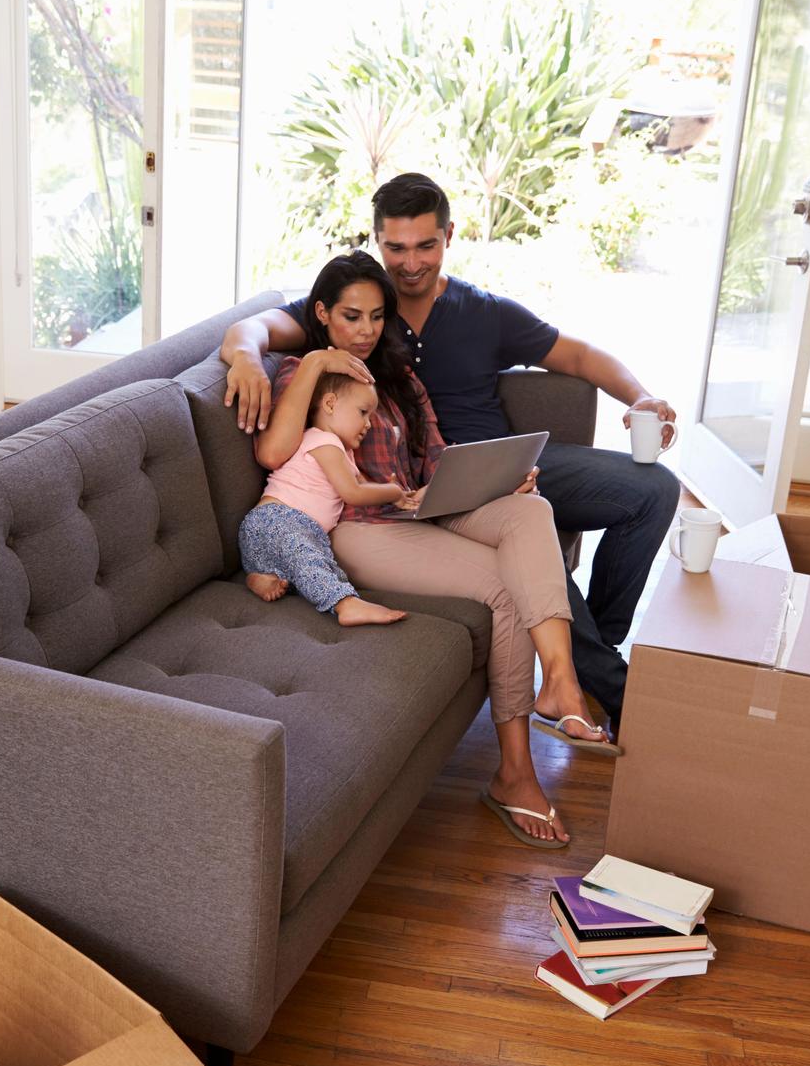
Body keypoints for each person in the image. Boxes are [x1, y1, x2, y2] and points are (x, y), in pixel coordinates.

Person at [221, 172, 679, 741]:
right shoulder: (358, 307)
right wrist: (242, 355)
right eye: (395, 248)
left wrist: (640, 397)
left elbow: (580, 355)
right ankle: (610, 686)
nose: (411, 263)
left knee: (656, 489)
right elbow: (254, 327)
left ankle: (596, 652)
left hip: (497, 466)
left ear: (448, 237)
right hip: (427, 488)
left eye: (425, 246)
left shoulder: (482, 312)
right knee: (525, 551)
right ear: (376, 242)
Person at [251, 250, 602, 848]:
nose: (365, 331)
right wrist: (315, 361)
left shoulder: (398, 377)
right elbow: (273, 453)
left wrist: (496, 479)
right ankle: (516, 774)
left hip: (424, 505)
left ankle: (561, 681)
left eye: (377, 317)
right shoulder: (303, 375)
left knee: (529, 510)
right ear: (322, 314)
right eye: (351, 317)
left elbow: (433, 458)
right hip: (364, 529)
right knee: (502, 586)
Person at [238, 369, 414, 627]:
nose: (368, 424)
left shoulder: (340, 452)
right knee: (310, 559)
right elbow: (353, 493)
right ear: (330, 403)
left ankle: (259, 576)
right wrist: (394, 491)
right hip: (278, 521)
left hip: (272, 534)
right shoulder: (324, 441)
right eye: (363, 412)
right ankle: (345, 605)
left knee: (323, 567)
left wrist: (395, 495)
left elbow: (364, 487)